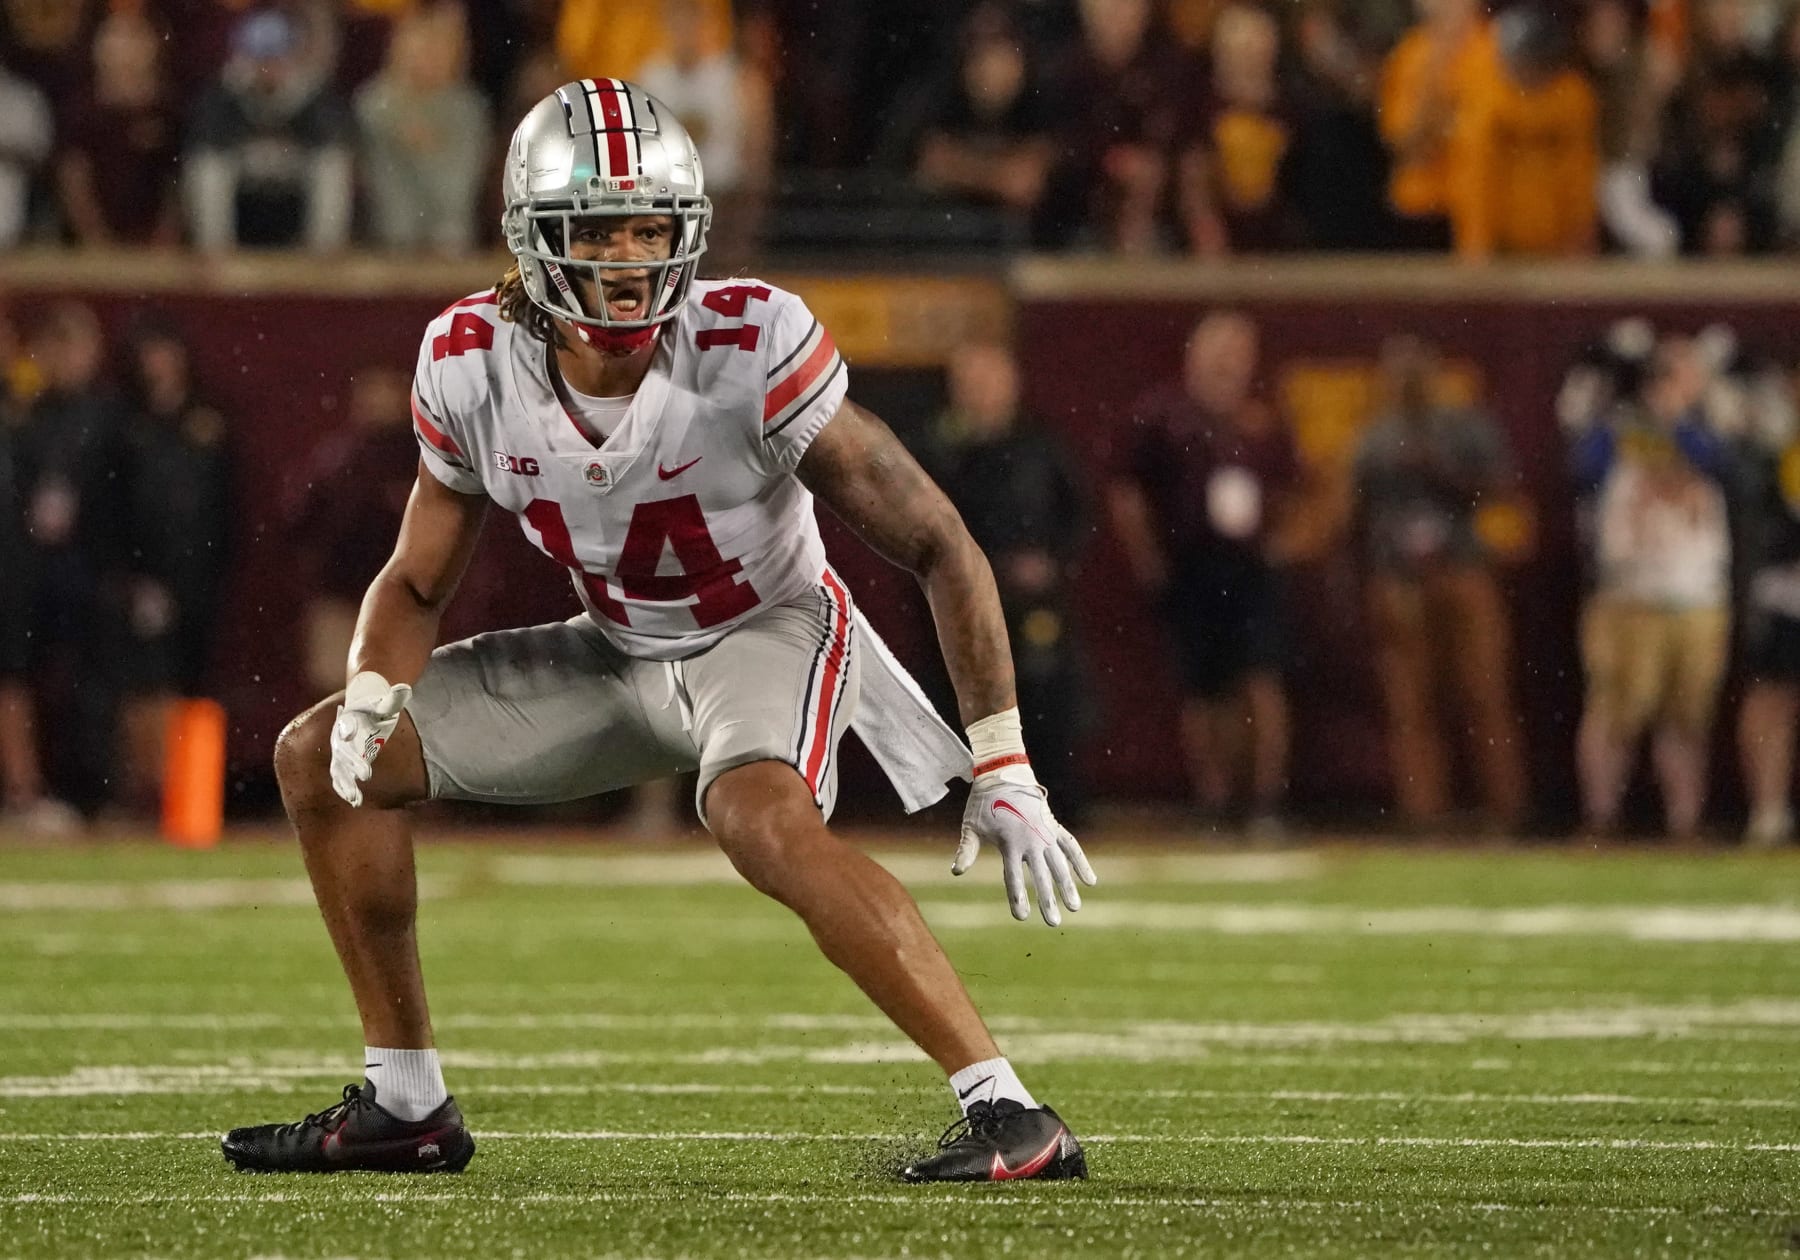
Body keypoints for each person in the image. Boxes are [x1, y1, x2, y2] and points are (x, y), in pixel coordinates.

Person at [221, 80, 1096, 1183]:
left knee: (755, 817)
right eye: (597, 229)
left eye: (650, 227)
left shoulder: (751, 344)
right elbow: (415, 581)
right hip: (617, 647)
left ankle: (1010, 1112)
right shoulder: (469, 362)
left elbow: (937, 542)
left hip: (766, 626)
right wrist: (365, 692)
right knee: (318, 762)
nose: (630, 257)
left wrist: (1003, 758)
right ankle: (408, 1103)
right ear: (533, 240)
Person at [1109, 311, 1303, 835]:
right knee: (1203, 693)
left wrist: (1284, 543)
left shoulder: (1262, 417)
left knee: (1261, 682)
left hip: (1251, 568)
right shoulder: (1161, 415)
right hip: (1192, 569)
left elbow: (1300, 488)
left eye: (1237, 352)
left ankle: (1265, 801)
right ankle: (1215, 800)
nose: (1226, 363)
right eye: (1217, 350)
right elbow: (1128, 494)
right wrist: (1151, 562)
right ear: (1194, 353)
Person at [1353, 334, 1528, 832]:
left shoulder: (1465, 427)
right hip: (1400, 579)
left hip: (1461, 570)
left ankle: (1504, 810)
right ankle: (1425, 815)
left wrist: (1443, 471)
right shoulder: (1375, 437)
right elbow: (1359, 511)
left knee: (1484, 695)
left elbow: (1501, 488)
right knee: (1412, 706)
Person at [1568, 334, 1731, 840]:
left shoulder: (1707, 429)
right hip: (1628, 591)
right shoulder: (1617, 428)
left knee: (1686, 718)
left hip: (1695, 590)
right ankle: (1600, 818)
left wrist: (1673, 425)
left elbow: (1729, 468)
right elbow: (1581, 468)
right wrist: (1641, 422)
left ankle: (1685, 823)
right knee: (1615, 712)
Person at [923, 340, 1089, 824]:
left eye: (988, 381)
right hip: (960, 603)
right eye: (970, 383)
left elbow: (1075, 513)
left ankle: (1052, 798)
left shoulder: (1042, 444)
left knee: (1041, 697)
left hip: (1033, 603)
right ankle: (966, 804)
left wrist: (1050, 563)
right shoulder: (940, 448)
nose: (980, 393)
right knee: (959, 698)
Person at [184, 7, 354, 252]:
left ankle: (324, 252)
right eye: (261, 58)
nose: (268, 68)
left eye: (277, 57)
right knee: (210, 167)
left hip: (291, 206)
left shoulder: (314, 96)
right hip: (243, 210)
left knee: (331, 164)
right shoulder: (223, 95)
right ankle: (214, 252)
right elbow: (206, 148)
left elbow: (331, 147)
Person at [354, 2, 491, 255]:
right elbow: (378, 188)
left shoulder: (468, 111)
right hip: (384, 243)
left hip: (450, 247)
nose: (428, 59)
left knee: (449, 232)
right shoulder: (373, 106)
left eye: (439, 48)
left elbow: (456, 196)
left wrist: (428, 151)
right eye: (421, 48)